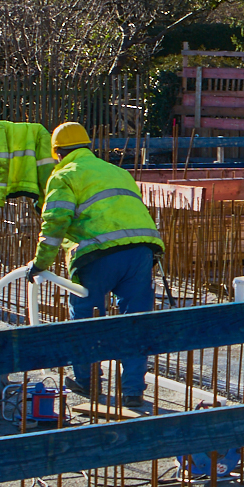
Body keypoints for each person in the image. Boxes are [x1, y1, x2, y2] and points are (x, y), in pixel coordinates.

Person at [28, 121, 164, 408]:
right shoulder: (117, 171)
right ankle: (133, 391)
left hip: (96, 255)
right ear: (88, 146)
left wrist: (40, 263)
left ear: (58, 153)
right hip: (140, 251)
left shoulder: (64, 174)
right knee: (135, 322)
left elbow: (55, 223)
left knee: (87, 320)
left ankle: (88, 382)